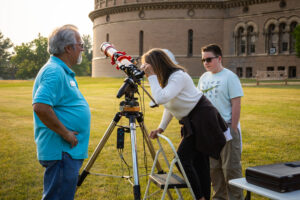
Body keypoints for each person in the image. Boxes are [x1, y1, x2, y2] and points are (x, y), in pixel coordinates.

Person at [140, 48, 227, 200]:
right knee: (200, 163)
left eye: (148, 66)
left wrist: (152, 77)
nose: (147, 70)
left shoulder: (178, 76)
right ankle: (204, 197)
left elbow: (160, 99)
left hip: (202, 117)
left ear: (157, 64)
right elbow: (169, 105)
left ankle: (199, 197)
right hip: (193, 119)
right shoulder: (167, 79)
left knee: (182, 159)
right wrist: (161, 127)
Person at [32, 24, 91, 200]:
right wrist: (65, 133)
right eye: (80, 44)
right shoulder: (54, 71)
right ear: (68, 48)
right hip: (62, 151)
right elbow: (40, 106)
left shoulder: (61, 70)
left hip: (66, 152)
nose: (82, 48)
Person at [197, 44, 244, 200]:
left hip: (226, 128)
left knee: (230, 169)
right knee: (214, 170)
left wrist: (233, 127)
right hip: (209, 131)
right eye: (203, 60)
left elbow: (236, 102)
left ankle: (236, 198)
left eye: (209, 59)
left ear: (219, 58)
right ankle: (220, 198)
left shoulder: (229, 77)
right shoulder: (204, 78)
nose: (206, 63)